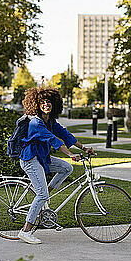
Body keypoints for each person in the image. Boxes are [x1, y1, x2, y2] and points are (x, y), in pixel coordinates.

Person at [18, 86, 94, 244]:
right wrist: (71, 154)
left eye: (49, 102)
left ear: (54, 104)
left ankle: (46, 195)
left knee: (67, 168)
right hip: (31, 160)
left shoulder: (50, 121)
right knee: (41, 195)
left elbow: (65, 135)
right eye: (43, 102)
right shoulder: (36, 123)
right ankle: (25, 231)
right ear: (36, 105)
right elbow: (54, 141)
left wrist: (83, 148)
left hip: (42, 158)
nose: (46, 105)